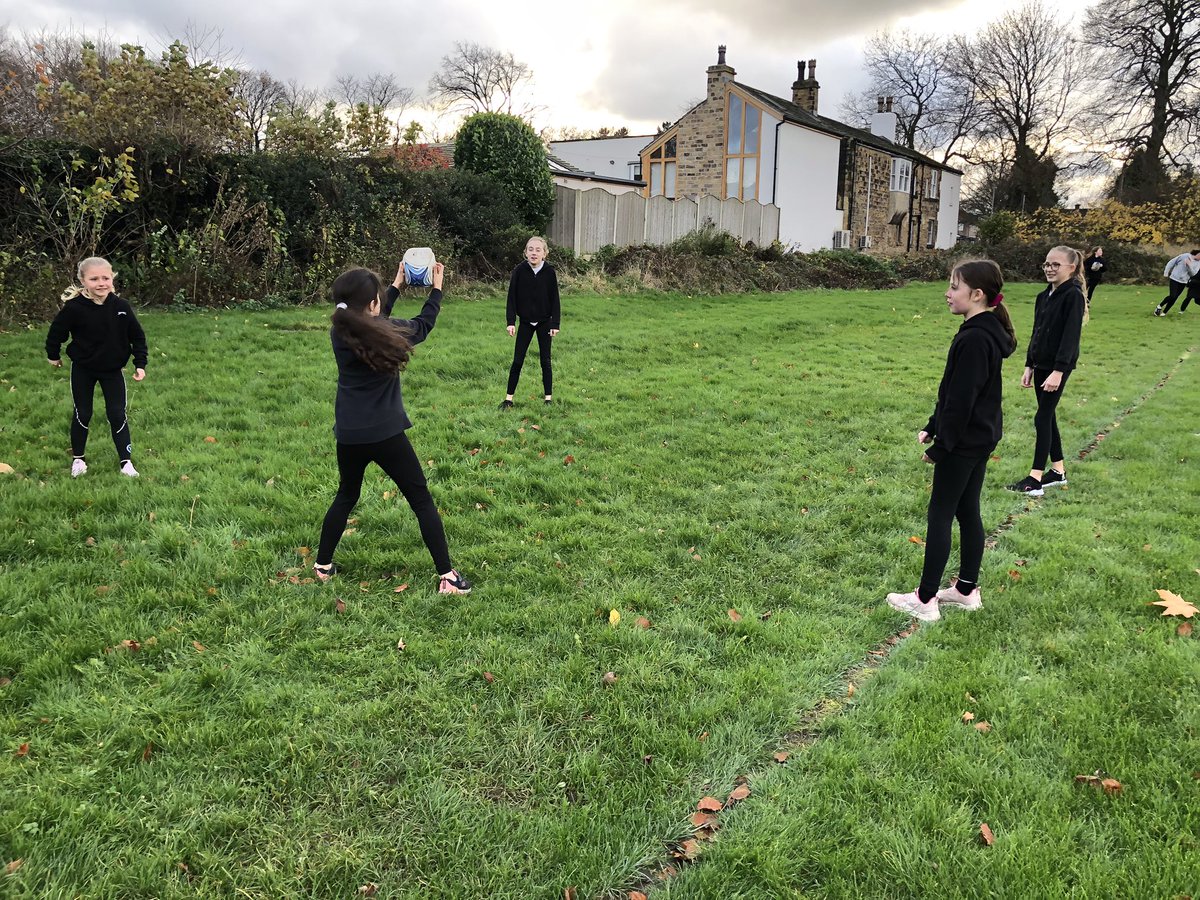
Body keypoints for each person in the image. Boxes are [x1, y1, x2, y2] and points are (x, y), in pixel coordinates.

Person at [313, 260, 472, 595]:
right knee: (420, 500)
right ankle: (448, 576)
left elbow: (372, 319)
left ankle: (322, 566)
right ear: (373, 304)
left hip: (350, 435)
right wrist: (437, 291)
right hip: (386, 435)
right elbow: (422, 325)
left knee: (346, 494)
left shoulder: (340, 330)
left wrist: (395, 286)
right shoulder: (386, 332)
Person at [886, 260, 1017, 623]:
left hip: (963, 443)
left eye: (954, 286)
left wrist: (941, 447)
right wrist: (933, 424)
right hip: (979, 438)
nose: (947, 293)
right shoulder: (982, 330)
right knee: (967, 509)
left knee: (941, 513)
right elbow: (953, 392)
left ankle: (925, 600)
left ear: (976, 295)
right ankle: (965, 590)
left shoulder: (976, 337)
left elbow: (962, 402)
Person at [45, 256, 147, 478]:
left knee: (117, 414)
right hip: (84, 369)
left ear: (112, 279)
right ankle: (78, 460)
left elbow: (137, 337)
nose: (101, 283)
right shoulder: (74, 308)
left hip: (112, 371)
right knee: (83, 412)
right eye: (94, 279)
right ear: (83, 280)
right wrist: (53, 355)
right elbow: (56, 333)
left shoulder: (121, 307)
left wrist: (140, 363)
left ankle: (126, 462)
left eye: (105, 278)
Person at [1007, 246, 1087, 496]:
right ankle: (1058, 471)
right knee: (1047, 416)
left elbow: (1070, 336)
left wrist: (1058, 371)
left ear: (1071, 268)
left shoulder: (1072, 295)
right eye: (1047, 264)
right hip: (1040, 364)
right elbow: (1037, 331)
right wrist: (1029, 364)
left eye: (1056, 265)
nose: (1050, 269)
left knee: (1042, 417)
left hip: (1056, 368)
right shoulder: (1044, 295)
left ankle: (1035, 479)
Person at [499, 236, 560, 409]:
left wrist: (555, 324)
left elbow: (555, 299)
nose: (534, 253)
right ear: (525, 252)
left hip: (544, 323)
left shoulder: (549, 272)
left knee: (545, 361)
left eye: (538, 250)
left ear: (544, 254)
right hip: (525, 322)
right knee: (517, 360)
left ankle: (548, 398)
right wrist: (511, 322)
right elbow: (511, 298)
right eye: (530, 249)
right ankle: (508, 399)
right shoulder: (519, 271)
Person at [1155, 249, 1200, 316]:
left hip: (1184, 282)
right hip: (1174, 279)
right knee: (1172, 296)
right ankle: (1159, 306)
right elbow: (1171, 262)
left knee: (1175, 297)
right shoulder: (1184, 256)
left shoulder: (1198, 263)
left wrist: (1189, 266)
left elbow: (1193, 274)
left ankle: (1164, 312)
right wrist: (1166, 272)